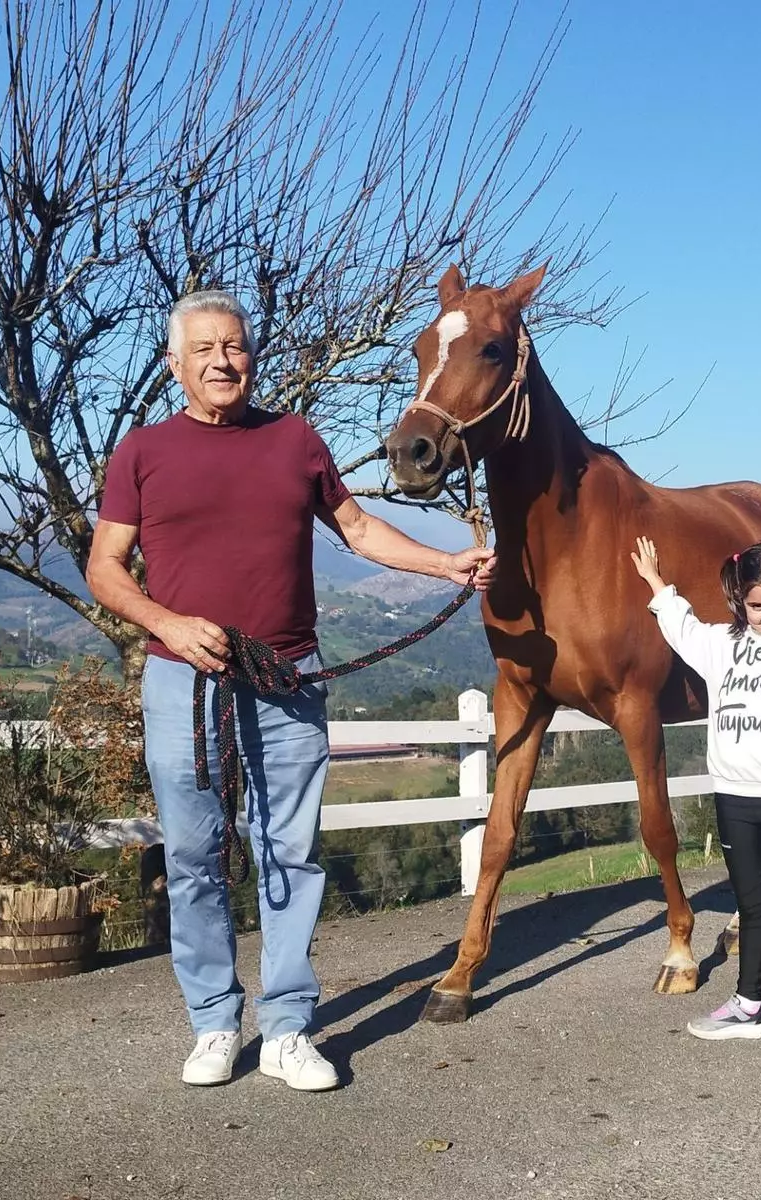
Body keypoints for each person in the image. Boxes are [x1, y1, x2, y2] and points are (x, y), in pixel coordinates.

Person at [87, 290, 496, 1092]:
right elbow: (106, 569)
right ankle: (212, 1022)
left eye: (233, 346)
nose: (221, 361)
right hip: (183, 683)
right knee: (198, 856)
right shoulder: (141, 451)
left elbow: (360, 529)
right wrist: (166, 622)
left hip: (289, 679)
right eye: (203, 349)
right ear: (175, 365)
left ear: (251, 355)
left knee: (290, 852)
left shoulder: (295, 439)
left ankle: (286, 1026)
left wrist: (446, 562)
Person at [629, 536, 761, 1048]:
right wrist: (657, 583)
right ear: (738, 601)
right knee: (751, 907)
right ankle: (750, 1005)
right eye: (757, 606)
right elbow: (681, 627)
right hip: (733, 797)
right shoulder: (721, 645)